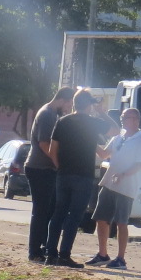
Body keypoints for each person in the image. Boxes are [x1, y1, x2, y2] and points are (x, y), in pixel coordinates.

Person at [43, 90, 114, 268]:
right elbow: (116, 130)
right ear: (89, 105)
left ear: (74, 103)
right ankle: (65, 255)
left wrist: (60, 167)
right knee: (74, 217)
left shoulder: (62, 121)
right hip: (83, 176)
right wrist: (103, 112)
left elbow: (52, 150)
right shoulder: (93, 122)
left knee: (58, 214)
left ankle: (50, 254)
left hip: (64, 174)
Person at [89, 107, 141, 270]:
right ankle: (102, 254)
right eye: (122, 117)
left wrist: (123, 174)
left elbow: (139, 164)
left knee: (122, 222)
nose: (123, 120)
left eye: (126, 117)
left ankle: (121, 258)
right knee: (101, 218)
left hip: (127, 187)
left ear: (136, 120)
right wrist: (90, 139)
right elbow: (104, 154)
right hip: (109, 183)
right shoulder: (118, 137)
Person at [23, 86, 75, 262]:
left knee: (50, 210)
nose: (69, 109)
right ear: (64, 100)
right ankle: (34, 251)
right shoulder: (47, 114)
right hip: (39, 168)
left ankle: (44, 247)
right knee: (41, 211)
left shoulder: (53, 114)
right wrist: (57, 163)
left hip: (47, 169)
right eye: (69, 104)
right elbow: (44, 144)